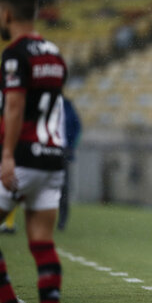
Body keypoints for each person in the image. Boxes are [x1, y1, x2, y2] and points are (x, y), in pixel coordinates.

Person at [0, 0, 67, 302]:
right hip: (52, 158)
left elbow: (14, 106)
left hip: (24, 155)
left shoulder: (15, 54)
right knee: (42, 242)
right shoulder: (54, 53)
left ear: (7, 14)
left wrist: (7, 155)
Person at [57, 97, 81, 230]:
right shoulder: (42, 99)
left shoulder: (67, 105)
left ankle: (62, 220)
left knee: (63, 187)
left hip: (63, 151)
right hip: (45, 149)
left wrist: (71, 147)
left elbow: (77, 127)